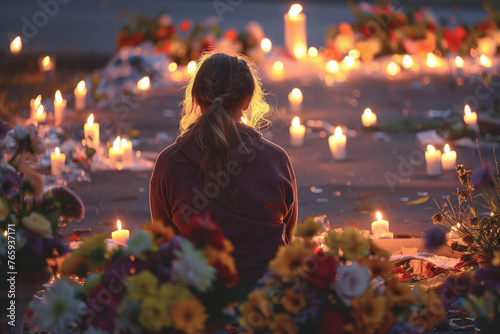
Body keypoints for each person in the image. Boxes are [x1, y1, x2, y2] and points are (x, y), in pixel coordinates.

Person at [149, 51, 297, 285]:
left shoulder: (170, 163)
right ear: (248, 100)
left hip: (200, 300)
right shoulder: (276, 159)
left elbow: (164, 243)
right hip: (270, 297)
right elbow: (287, 234)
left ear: (196, 97)